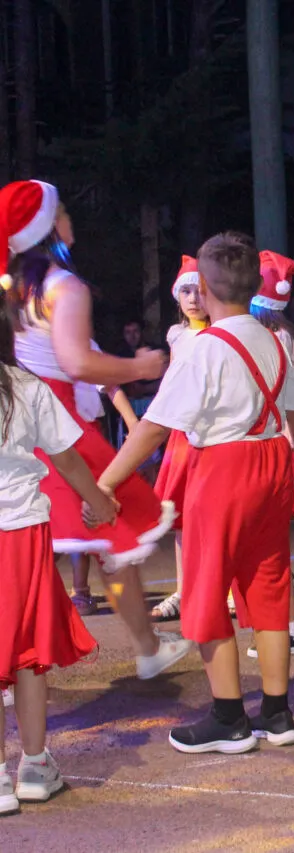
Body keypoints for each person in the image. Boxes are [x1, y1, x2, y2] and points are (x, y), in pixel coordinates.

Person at [98, 231, 294, 753]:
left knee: (206, 586)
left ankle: (227, 717)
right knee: (268, 584)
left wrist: (106, 481)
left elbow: (153, 426)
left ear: (208, 288)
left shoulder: (203, 348)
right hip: (271, 462)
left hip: (223, 466)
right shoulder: (272, 337)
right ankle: (278, 713)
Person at [1, 179, 191, 680]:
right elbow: (76, 362)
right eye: (62, 210)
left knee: (104, 541)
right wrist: (141, 367)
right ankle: (145, 648)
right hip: (55, 426)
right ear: (48, 227)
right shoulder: (64, 287)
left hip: (14, 422)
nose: (70, 218)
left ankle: (146, 646)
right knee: (111, 528)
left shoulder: (13, 288)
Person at [0, 307, 112, 811]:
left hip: (19, 528)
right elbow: (67, 455)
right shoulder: (25, 386)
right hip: (21, 531)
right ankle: (34, 763)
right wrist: (101, 501)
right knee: (27, 652)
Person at [247, 250, 294, 657]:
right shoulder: (282, 334)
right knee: (267, 545)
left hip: (272, 445)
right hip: (278, 443)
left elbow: (288, 400)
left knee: (266, 546)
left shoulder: (271, 337)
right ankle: (286, 626)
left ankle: (288, 628)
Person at [149, 256, 210, 623]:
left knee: (217, 514)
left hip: (215, 436)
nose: (193, 298)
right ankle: (184, 588)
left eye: (199, 290)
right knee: (183, 515)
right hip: (184, 438)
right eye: (186, 291)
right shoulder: (177, 335)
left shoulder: (221, 332)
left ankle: (227, 588)